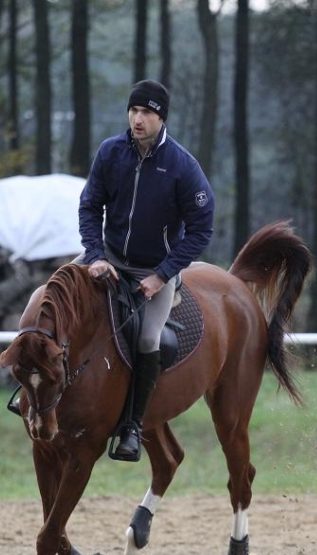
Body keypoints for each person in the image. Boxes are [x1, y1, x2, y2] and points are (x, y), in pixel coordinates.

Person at [77, 79, 215, 459]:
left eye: (147, 113)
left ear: (161, 118)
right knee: (56, 295)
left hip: (153, 270)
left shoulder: (183, 167)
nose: (138, 119)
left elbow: (202, 229)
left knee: (148, 339)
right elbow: (90, 206)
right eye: (134, 111)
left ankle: (132, 428)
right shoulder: (110, 152)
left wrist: (162, 275)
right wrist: (94, 255)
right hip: (105, 257)